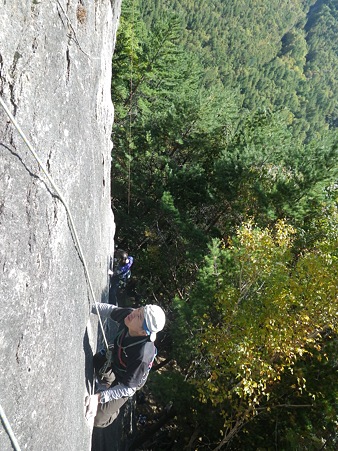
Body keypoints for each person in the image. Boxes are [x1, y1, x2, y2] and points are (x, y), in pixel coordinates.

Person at [85, 302, 166, 428]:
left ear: (144, 332)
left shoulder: (142, 356)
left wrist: (99, 398)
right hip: (117, 361)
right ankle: (108, 382)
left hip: (128, 382)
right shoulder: (130, 316)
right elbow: (111, 310)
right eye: (139, 309)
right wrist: (90, 305)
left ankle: (113, 410)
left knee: (98, 418)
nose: (133, 313)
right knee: (98, 361)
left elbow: (128, 388)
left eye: (139, 317)